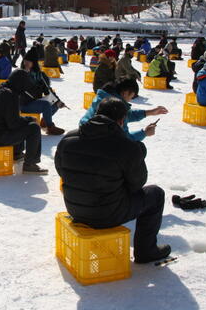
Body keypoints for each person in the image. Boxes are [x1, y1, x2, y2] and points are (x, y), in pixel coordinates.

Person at [55, 97, 170, 264]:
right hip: (107, 215)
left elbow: (61, 171)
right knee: (155, 194)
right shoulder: (126, 146)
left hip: (75, 209)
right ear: (122, 120)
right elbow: (137, 184)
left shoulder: (69, 138)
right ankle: (146, 250)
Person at [0, 69, 47, 174]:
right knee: (33, 128)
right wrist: (30, 119)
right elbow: (14, 124)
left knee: (20, 123)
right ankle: (30, 164)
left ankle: (16, 153)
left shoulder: (0, 89)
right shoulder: (11, 95)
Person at [80, 79, 168, 141]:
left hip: (85, 139)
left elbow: (126, 115)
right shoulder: (116, 107)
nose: (130, 100)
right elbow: (126, 140)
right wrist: (144, 133)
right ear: (125, 92)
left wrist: (150, 112)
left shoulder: (103, 98)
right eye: (131, 97)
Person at [20, 49, 65, 135]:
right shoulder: (20, 73)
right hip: (24, 104)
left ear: (34, 63)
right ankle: (50, 127)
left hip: (35, 102)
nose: (26, 63)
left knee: (55, 103)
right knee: (46, 105)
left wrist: (58, 101)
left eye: (29, 61)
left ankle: (45, 121)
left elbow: (48, 90)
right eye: (25, 61)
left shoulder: (40, 75)